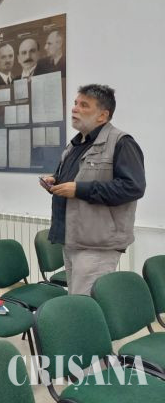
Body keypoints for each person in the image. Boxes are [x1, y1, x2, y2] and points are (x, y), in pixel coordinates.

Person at [41, 85, 145, 296]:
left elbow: (133, 187)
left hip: (97, 245)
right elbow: (80, 177)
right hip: (72, 238)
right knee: (76, 301)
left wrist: (80, 189)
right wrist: (56, 180)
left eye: (84, 105)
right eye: (75, 103)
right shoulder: (75, 144)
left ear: (102, 115)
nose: (74, 109)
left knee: (83, 306)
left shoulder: (122, 143)